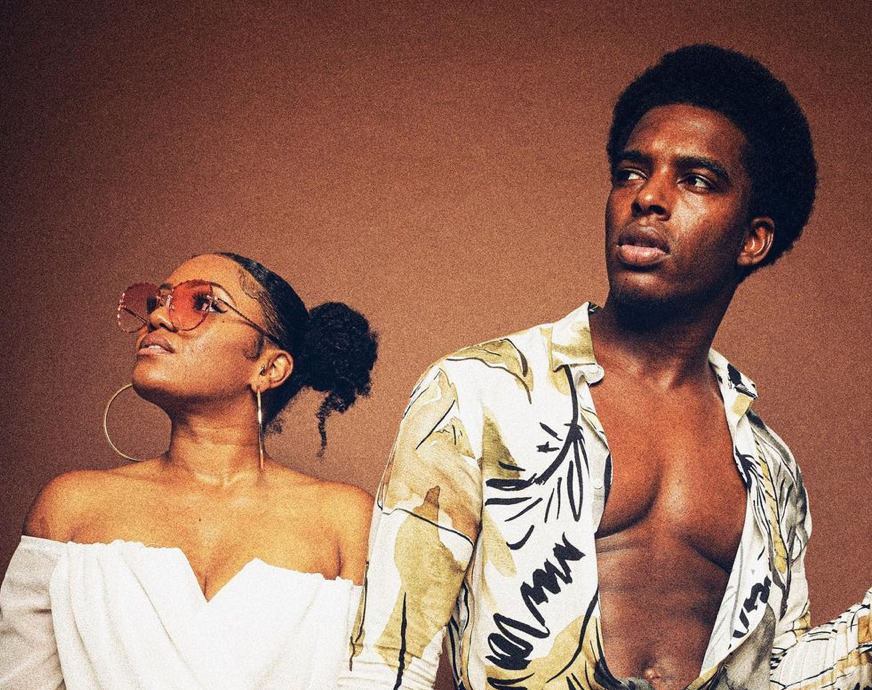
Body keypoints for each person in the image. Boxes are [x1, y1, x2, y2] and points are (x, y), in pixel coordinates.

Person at [341, 46, 871, 690]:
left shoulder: (769, 466)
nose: (648, 196)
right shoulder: (480, 392)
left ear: (753, 239)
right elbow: (388, 658)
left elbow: (779, 674)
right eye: (631, 172)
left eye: (696, 180)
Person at [0, 252, 379, 690]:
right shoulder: (70, 507)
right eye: (158, 301)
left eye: (204, 304)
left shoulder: (345, 520)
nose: (158, 316)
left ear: (269, 367)